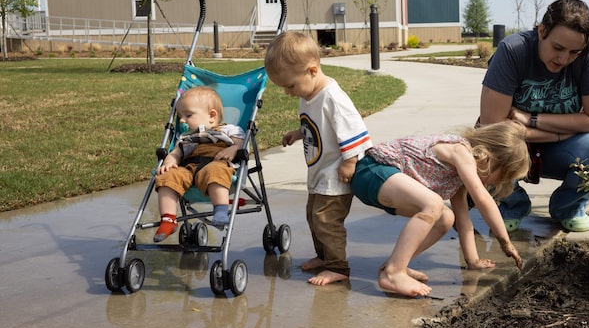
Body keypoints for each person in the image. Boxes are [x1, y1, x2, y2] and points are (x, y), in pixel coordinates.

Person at [479, 0, 589, 233]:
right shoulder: (512, 50)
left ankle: (567, 207)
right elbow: (492, 126)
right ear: (542, 31)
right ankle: (511, 204)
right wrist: (558, 131)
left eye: (574, 52)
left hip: (562, 145)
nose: (564, 59)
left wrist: (530, 120)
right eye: (558, 48)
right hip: (513, 147)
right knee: (483, 148)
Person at [350, 120, 530, 298]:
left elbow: (463, 220)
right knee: (433, 204)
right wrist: (505, 242)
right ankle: (393, 273)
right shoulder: (461, 151)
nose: (499, 183)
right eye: (503, 176)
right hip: (372, 172)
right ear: (492, 159)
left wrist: (473, 261)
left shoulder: (458, 176)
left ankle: (396, 264)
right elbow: (482, 198)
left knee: (446, 218)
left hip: (387, 186)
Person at [264, 32, 373, 286]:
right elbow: (318, 127)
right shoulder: (308, 94)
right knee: (313, 216)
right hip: (319, 173)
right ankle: (324, 257)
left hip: (336, 173)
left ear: (312, 70)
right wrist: (297, 133)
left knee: (327, 220)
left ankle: (338, 267)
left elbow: (354, 130)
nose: (288, 93)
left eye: (290, 86)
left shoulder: (332, 97)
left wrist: (350, 161)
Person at [154, 85, 245, 242]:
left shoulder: (228, 130)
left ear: (211, 116)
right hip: (187, 169)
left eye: (188, 115)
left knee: (216, 171)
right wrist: (169, 161)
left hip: (216, 162)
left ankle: (221, 210)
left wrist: (233, 149)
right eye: (180, 115)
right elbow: (176, 153)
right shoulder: (185, 137)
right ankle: (168, 219)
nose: (181, 120)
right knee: (167, 177)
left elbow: (240, 143)